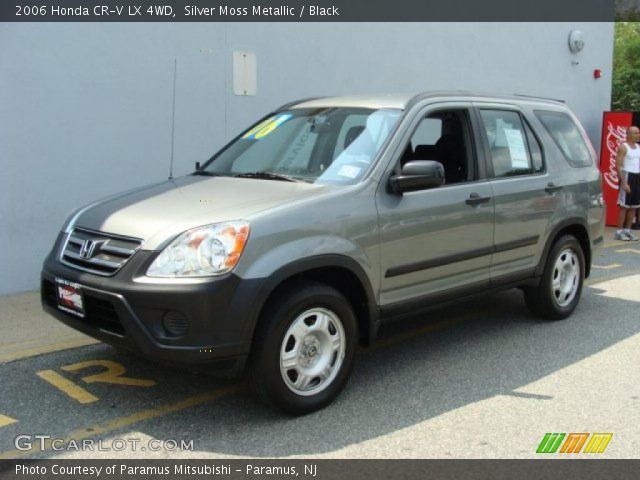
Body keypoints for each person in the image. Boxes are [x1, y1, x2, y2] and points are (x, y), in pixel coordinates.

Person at [615, 125, 640, 241]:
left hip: (637, 177)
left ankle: (627, 231)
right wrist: (624, 183)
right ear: (628, 135)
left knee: (634, 207)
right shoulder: (623, 147)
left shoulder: (638, 147)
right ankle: (619, 232)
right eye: (635, 133)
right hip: (627, 176)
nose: (638, 135)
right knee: (624, 206)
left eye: (638, 133)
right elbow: (618, 166)